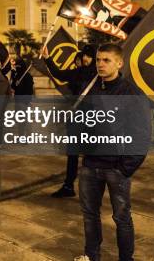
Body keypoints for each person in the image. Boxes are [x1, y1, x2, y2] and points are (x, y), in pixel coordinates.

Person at [74, 43, 150, 261]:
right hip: (90, 165)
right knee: (89, 216)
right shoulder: (90, 88)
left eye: (106, 60)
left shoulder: (131, 92)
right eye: (98, 59)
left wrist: (125, 167)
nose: (100, 64)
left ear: (119, 63)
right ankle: (91, 256)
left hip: (116, 168)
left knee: (122, 218)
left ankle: (126, 259)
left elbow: (142, 133)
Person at [41, 44, 97, 198]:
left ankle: (92, 188)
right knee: (72, 152)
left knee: (91, 155)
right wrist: (47, 58)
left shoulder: (99, 75)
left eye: (89, 55)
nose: (85, 58)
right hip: (77, 118)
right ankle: (68, 185)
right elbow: (59, 74)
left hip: (94, 120)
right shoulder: (79, 72)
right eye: (84, 55)